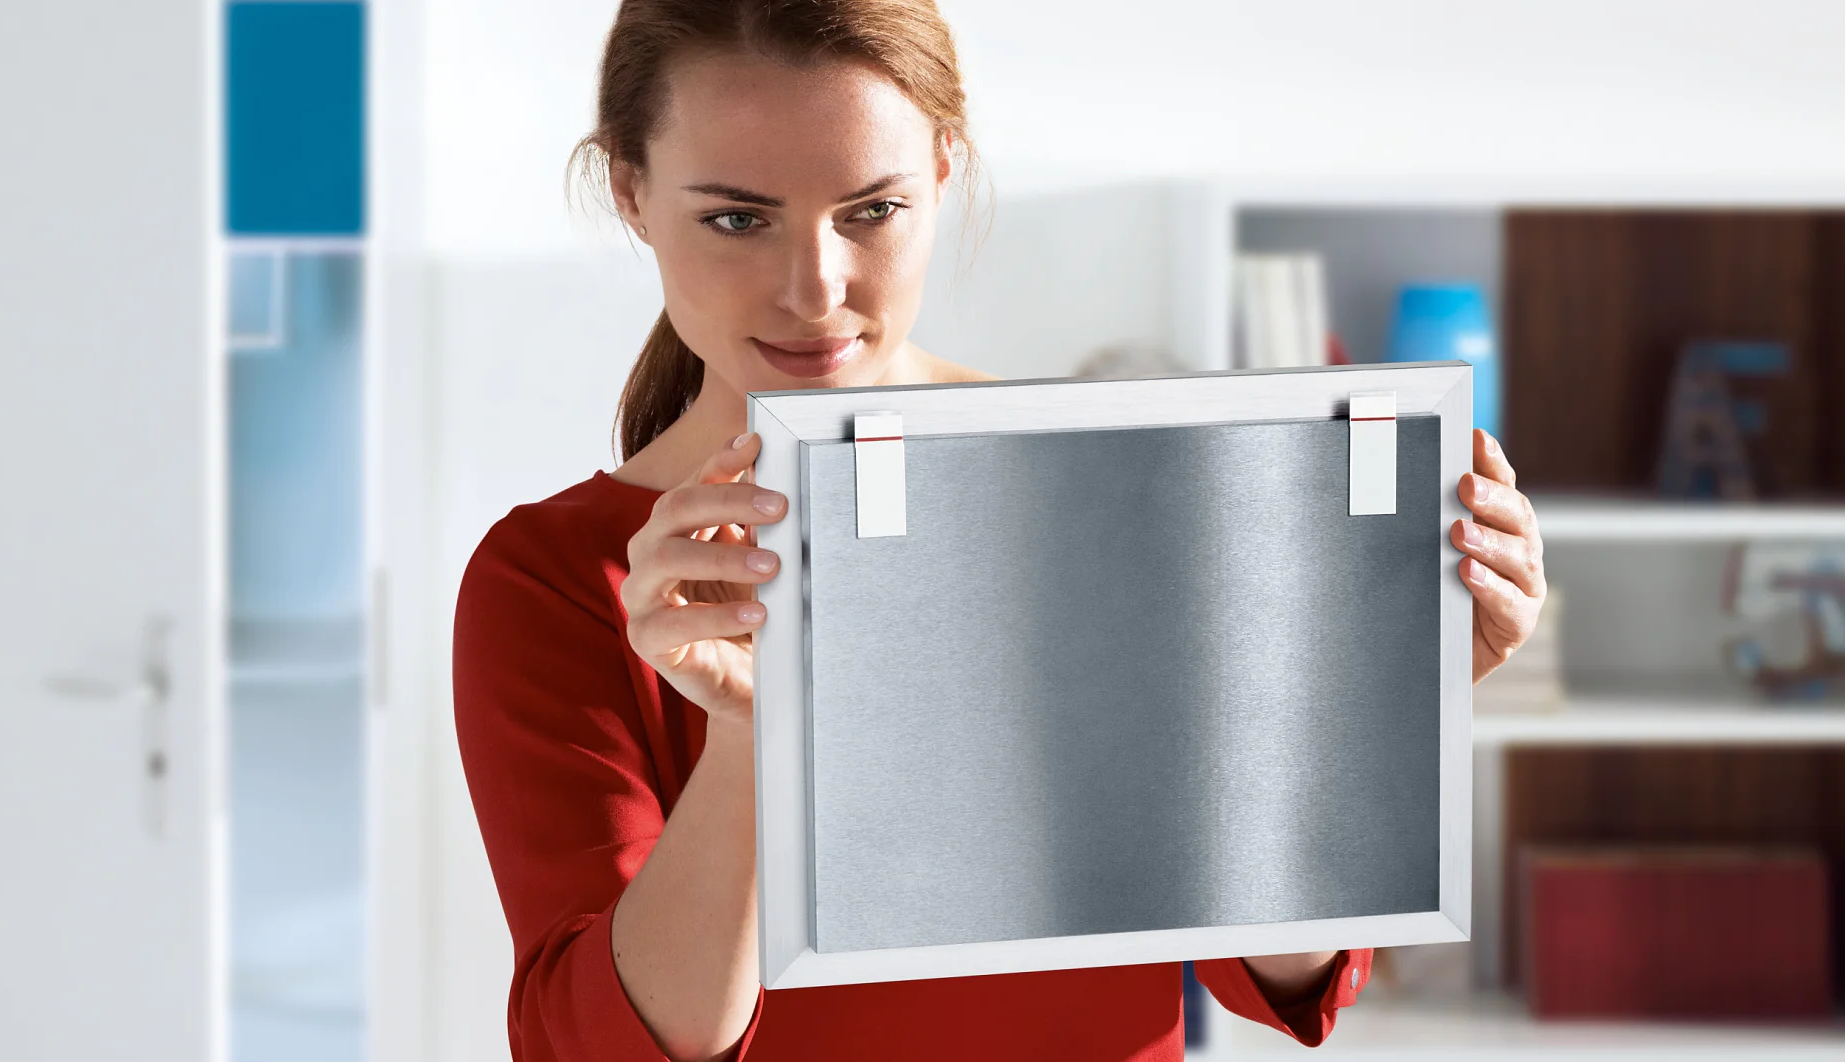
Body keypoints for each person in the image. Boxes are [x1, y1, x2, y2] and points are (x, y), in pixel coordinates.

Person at [452, 2, 1549, 1060]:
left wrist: (1377, 707)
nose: (814, 287)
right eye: (737, 218)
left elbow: (1279, 969)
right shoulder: (553, 581)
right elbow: (622, 1046)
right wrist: (753, 737)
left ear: (940, 168)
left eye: (870, 210)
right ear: (630, 194)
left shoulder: (1101, 494)